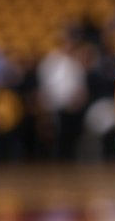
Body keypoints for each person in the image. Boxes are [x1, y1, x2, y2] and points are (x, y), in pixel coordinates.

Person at [37, 31, 88, 160]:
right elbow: (47, 83)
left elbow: (79, 84)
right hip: (54, 103)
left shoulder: (75, 63)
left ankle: (69, 155)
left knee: (71, 132)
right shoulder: (51, 62)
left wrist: (76, 97)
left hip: (71, 104)